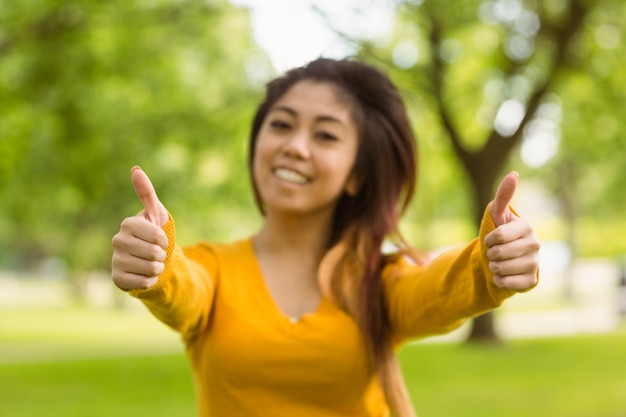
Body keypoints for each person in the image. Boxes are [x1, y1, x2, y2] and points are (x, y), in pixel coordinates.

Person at [111, 58, 540, 417]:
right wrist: (157, 261)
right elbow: (183, 287)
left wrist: (490, 261)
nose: (296, 146)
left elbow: (439, 288)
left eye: (326, 135)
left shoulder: (379, 279)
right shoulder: (215, 268)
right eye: (281, 125)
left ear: (356, 174)